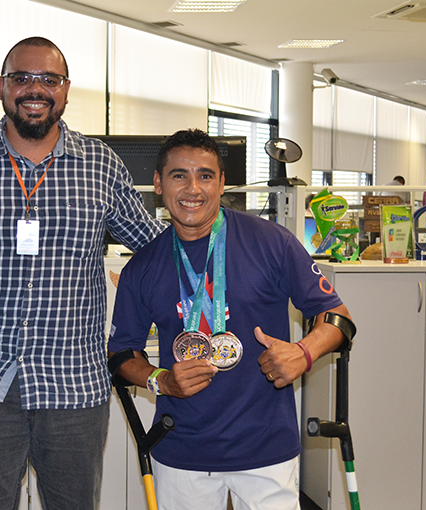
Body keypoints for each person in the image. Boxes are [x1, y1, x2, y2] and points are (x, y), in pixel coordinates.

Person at [0, 37, 165, 510]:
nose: (35, 89)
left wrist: (225, 236)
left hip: (74, 384)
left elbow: (156, 248)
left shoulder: (99, 164)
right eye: (21, 77)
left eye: (49, 79)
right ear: (1, 86)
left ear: (66, 89)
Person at [107, 129, 352, 510]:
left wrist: (303, 353)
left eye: (205, 175)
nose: (193, 189)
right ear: (158, 184)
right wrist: (162, 380)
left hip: (266, 449)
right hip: (181, 451)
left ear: (222, 183)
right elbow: (121, 355)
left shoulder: (271, 242)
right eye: (178, 175)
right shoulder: (142, 267)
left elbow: (338, 317)